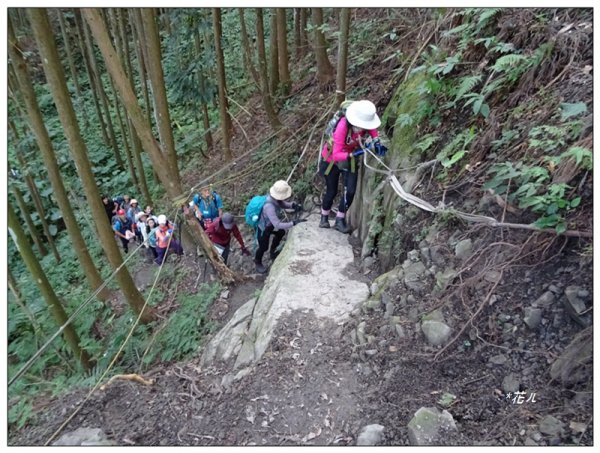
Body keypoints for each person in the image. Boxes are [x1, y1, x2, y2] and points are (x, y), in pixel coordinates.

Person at [319, 100, 386, 233]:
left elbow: (372, 129)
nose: (363, 128)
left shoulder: (364, 123)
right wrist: (354, 153)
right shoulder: (342, 127)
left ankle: (340, 219)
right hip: (332, 159)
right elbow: (337, 154)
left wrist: (376, 141)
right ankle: (324, 216)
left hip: (350, 158)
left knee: (350, 191)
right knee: (331, 191)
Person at [254, 180, 305, 274]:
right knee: (263, 247)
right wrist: (293, 223)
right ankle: (257, 262)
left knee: (281, 233)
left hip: (269, 225)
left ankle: (273, 252)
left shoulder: (274, 199)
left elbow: (282, 204)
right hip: (263, 228)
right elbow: (277, 224)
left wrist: (292, 205)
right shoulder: (269, 206)